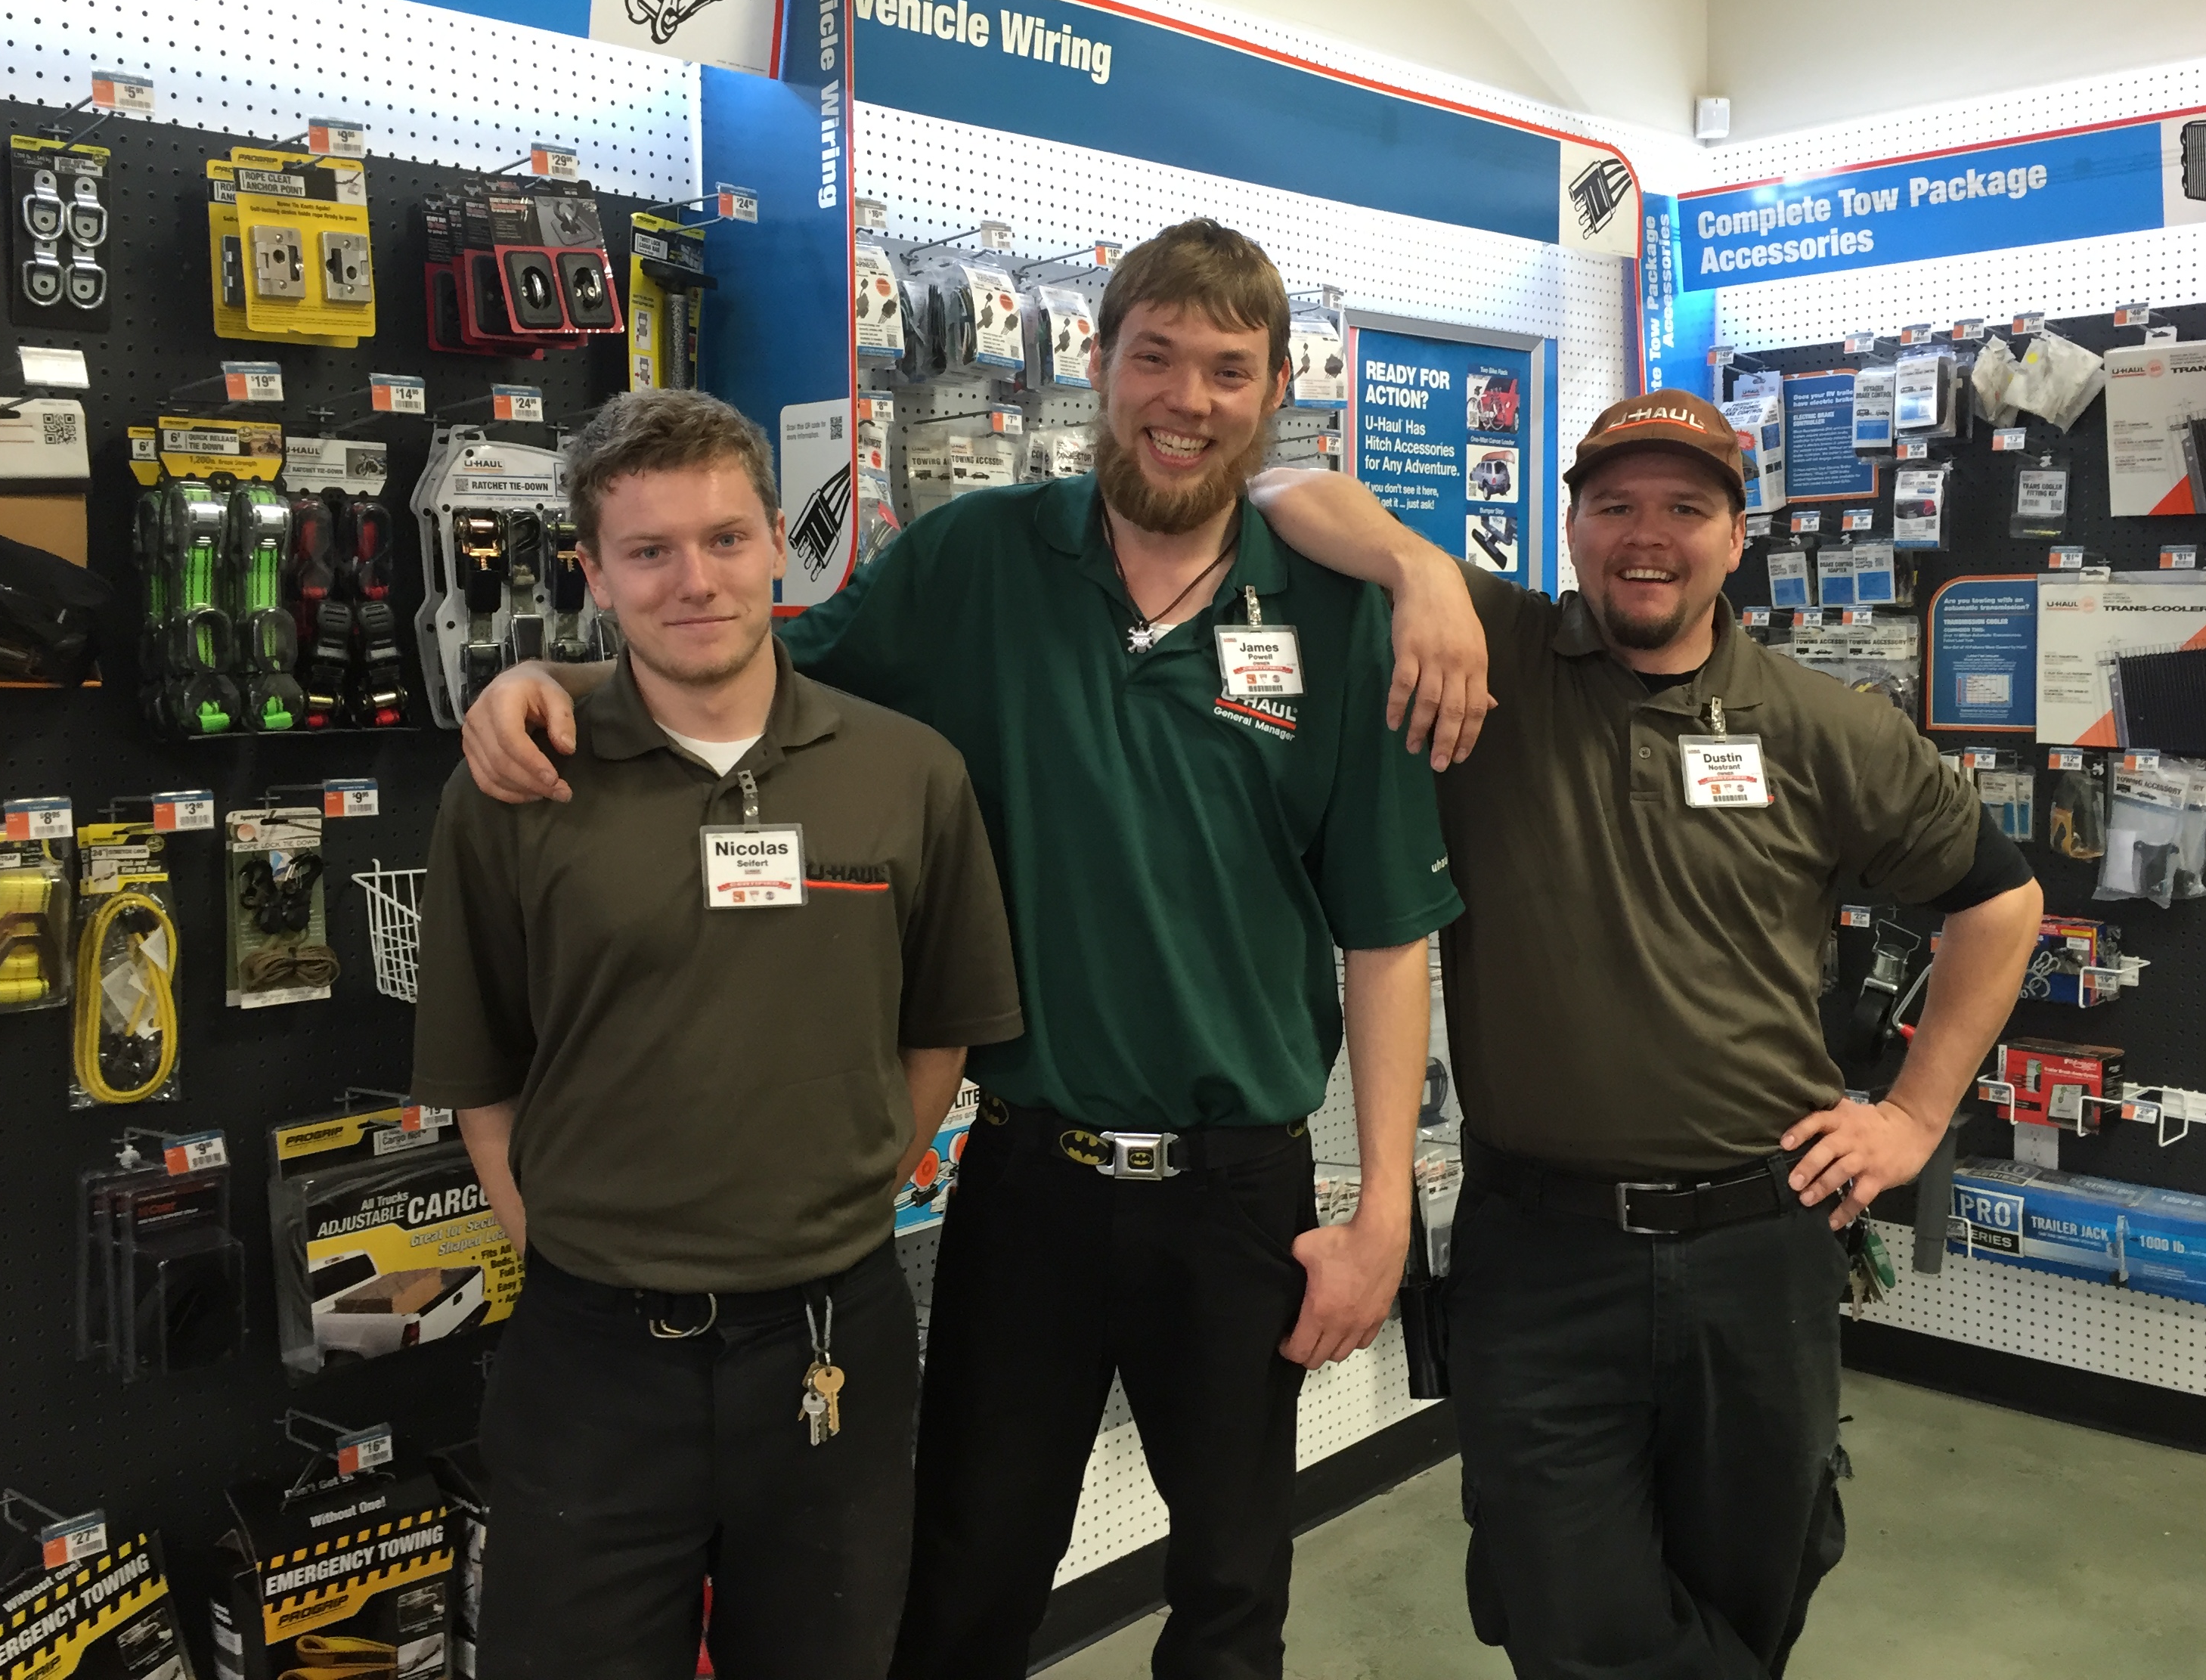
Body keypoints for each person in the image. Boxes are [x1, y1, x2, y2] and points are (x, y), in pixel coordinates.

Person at [457, 219, 1464, 1678]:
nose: (1186, 399)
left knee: (1234, 1587)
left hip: (1238, 1192)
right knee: (966, 1584)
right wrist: (545, 677)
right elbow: (748, 670)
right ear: (1097, 365)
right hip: (1028, 1179)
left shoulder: (1339, 614)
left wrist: (1381, 1212)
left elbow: (1385, 936)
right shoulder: (976, 559)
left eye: (1227, 371)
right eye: (1155, 358)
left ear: (1274, 390)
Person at [1250, 389, 2045, 1679]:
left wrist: (1913, 1115)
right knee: (1568, 1609)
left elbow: (2001, 903)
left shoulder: (1822, 725)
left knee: (1757, 1589)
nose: (1647, 536)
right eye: (1615, 505)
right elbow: (1281, 491)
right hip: (1539, 1255)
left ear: (1736, 538)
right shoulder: (1497, 657)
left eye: (1685, 508)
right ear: (1571, 529)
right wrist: (1416, 568)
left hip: (1762, 1247)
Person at [411, 389, 1025, 1680]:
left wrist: (840, 1197)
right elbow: (482, 1075)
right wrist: (572, 1251)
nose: (695, 581)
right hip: (589, 1363)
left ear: (779, 544)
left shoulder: (910, 773)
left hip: (830, 1344)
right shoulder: (514, 788)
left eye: (727, 539)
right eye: (649, 551)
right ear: (593, 572)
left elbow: (941, 1037)